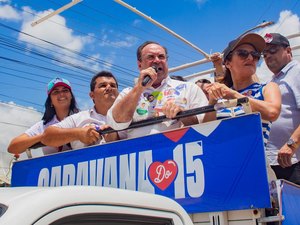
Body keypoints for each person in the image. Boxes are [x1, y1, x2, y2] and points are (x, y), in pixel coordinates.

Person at [107, 41, 208, 139]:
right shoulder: (127, 93)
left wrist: (182, 114)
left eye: (161, 57)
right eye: (150, 57)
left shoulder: (189, 89)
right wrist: (139, 88)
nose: (157, 60)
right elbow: (117, 123)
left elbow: (206, 125)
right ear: (139, 65)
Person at [204, 33, 281, 147]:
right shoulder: (221, 96)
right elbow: (206, 132)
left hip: (256, 161)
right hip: (226, 161)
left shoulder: (267, 88)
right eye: (243, 53)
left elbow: (272, 113)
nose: (250, 58)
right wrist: (212, 102)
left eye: (255, 54)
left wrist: (233, 95)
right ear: (228, 63)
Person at [41, 71, 122, 150]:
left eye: (113, 85)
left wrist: (116, 140)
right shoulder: (78, 119)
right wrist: (79, 134)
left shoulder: (130, 116)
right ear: (92, 95)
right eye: (103, 85)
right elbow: (47, 136)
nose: (109, 88)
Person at [263, 33, 300, 184]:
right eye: (264, 54)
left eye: (273, 50)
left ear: (288, 51)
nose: (268, 56)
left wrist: (292, 144)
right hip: (276, 162)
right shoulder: (274, 81)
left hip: (292, 160)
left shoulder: (297, 72)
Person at [7, 77, 80, 155]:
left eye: (65, 90)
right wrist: (44, 137)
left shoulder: (82, 118)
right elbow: (13, 148)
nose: (61, 94)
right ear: (50, 101)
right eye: (56, 92)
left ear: (71, 96)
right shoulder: (43, 126)